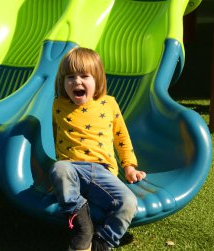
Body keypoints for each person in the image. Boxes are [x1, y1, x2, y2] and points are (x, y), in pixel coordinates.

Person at [50, 47, 146, 251]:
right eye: (70, 77)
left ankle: (103, 242)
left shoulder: (108, 104)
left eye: (85, 76)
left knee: (128, 202)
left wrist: (129, 166)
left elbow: (121, 136)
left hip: (101, 171)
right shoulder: (58, 104)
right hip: (71, 167)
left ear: (98, 80)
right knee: (59, 169)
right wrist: (58, 182)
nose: (77, 82)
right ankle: (82, 228)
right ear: (62, 81)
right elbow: (57, 135)